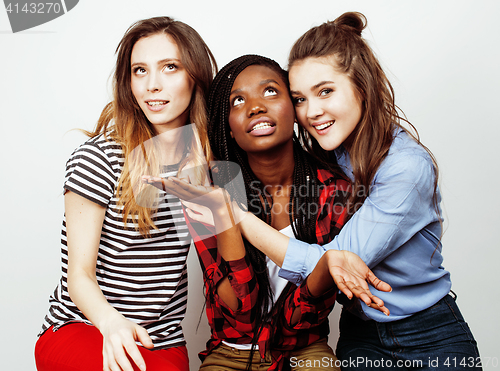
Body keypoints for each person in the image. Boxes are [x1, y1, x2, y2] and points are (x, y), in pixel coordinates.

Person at [223, 12, 481, 370]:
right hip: (360, 333)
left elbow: (333, 264)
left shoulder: (407, 168)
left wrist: (236, 217)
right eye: (299, 98)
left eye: (325, 91)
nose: (311, 112)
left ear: (362, 85)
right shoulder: (328, 151)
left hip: (428, 336)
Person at [145, 54, 391, 370]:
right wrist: (225, 215)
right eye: (237, 101)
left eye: (271, 91)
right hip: (230, 352)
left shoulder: (336, 192)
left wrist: (327, 266)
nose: (256, 106)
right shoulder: (205, 190)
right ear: (229, 127)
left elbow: (307, 317)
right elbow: (240, 313)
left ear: (295, 109)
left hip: (306, 349)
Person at [34, 16, 217, 371]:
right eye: (139, 70)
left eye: (170, 67)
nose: (152, 85)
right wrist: (111, 323)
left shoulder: (216, 163)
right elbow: (79, 275)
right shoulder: (98, 157)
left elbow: (227, 271)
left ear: (194, 75)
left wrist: (204, 189)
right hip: (87, 326)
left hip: (161, 342)